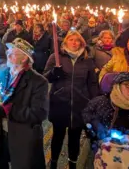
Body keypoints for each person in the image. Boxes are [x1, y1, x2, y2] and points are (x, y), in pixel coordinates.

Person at [0, 38, 48, 169]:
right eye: (8, 52)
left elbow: (39, 113)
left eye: (13, 53)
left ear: (24, 59)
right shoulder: (3, 72)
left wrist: (10, 110)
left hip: (21, 136)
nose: (8, 55)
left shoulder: (38, 82)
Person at [44, 30, 99, 169]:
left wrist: (94, 102)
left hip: (80, 105)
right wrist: (53, 73)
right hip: (60, 102)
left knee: (75, 138)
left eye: (77, 40)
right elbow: (44, 78)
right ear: (65, 42)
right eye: (71, 40)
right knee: (58, 135)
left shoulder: (87, 60)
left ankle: (73, 163)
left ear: (81, 43)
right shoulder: (56, 57)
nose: (74, 42)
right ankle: (54, 162)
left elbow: (92, 83)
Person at [83, 73, 129, 154]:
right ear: (117, 86)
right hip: (100, 148)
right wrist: (95, 125)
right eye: (127, 86)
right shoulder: (100, 102)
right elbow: (86, 113)